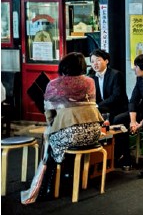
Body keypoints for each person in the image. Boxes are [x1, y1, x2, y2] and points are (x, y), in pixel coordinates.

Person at [22, 53, 103, 204]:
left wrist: (54, 123)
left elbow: (49, 113)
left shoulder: (54, 84)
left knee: (49, 142)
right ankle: (70, 176)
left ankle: (48, 186)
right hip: (93, 133)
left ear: (63, 66)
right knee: (58, 139)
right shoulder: (90, 82)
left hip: (71, 135)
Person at [89, 49, 128, 125]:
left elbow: (116, 96)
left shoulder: (116, 75)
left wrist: (98, 105)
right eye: (92, 62)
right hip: (102, 108)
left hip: (117, 108)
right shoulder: (92, 77)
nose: (95, 64)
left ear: (106, 61)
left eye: (98, 60)